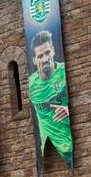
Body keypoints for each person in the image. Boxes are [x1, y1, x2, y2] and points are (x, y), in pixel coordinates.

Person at [27, 30, 73, 165]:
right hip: (48, 151)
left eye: (47, 53)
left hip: (71, 146)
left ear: (53, 50)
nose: (45, 58)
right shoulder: (31, 85)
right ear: (34, 60)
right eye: (40, 56)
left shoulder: (65, 72)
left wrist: (68, 109)